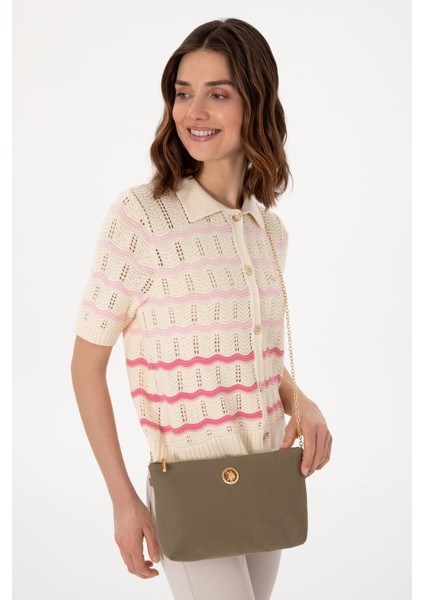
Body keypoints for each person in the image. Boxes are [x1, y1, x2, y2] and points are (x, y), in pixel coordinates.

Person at [71, 17, 332, 600]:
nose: (194, 112)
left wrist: (301, 400)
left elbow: (249, 353)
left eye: (218, 94)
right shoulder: (141, 218)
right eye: (183, 93)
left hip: (266, 479)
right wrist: (123, 500)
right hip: (188, 490)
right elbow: (86, 366)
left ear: (255, 103)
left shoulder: (269, 232)